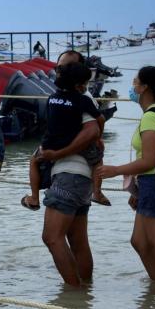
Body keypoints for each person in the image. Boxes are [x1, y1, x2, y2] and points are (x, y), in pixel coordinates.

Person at [97, 66, 155, 292]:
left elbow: (149, 160)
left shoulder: (152, 117)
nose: (132, 87)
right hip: (150, 185)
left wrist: (115, 170)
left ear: (145, 88)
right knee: (139, 242)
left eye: (135, 82)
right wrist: (137, 190)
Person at [32, 61, 101, 287]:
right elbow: (97, 128)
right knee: (77, 241)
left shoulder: (58, 99)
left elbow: (93, 131)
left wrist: (59, 152)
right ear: (80, 83)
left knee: (51, 237)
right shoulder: (82, 101)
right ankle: (86, 295)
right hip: (82, 179)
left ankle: (75, 296)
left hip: (67, 174)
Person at [22, 52, 108, 210]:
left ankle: (34, 197)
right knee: (98, 158)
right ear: (78, 84)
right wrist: (99, 139)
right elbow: (98, 123)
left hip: (48, 144)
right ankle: (97, 192)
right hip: (68, 160)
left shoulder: (51, 97)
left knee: (33, 160)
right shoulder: (83, 99)